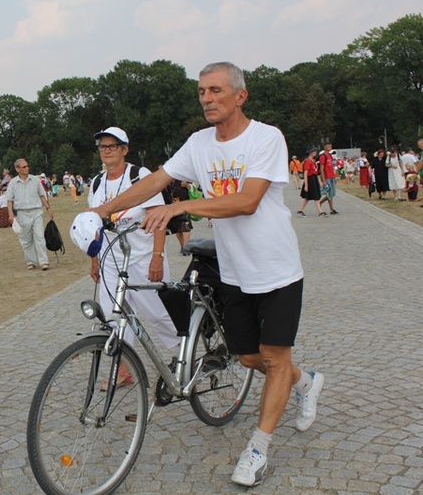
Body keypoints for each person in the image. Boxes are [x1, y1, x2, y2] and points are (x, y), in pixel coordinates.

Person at [92, 62, 323, 487]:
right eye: (201, 92)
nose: (207, 99)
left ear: (240, 96)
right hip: (232, 271)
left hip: (276, 268)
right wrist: (102, 211)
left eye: (216, 90)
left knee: (273, 358)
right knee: (250, 358)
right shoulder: (198, 144)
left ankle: (258, 448)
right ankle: (305, 381)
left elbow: (248, 200)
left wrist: (181, 207)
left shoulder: (265, 137)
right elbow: (159, 178)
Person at [85, 127, 180, 389]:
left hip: (142, 256)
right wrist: (95, 260)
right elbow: (94, 224)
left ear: (125, 149)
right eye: (102, 147)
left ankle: (184, 356)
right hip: (111, 260)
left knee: (159, 313)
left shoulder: (140, 176)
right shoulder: (96, 182)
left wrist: (157, 257)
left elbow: (159, 217)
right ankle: (123, 369)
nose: (106, 151)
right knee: (114, 315)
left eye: (112, 146)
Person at [6, 158, 54, 270]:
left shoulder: (35, 180)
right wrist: (10, 215)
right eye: (24, 167)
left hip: (36, 211)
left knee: (40, 237)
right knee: (26, 240)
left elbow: (42, 195)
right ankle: (31, 261)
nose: (27, 168)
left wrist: (48, 208)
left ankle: (44, 261)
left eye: (27, 166)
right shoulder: (13, 183)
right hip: (22, 213)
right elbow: (9, 200)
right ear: (17, 169)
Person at [296, 146, 326, 217]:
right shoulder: (307, 161)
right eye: (314, 151)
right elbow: (306, 173)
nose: (315, 152)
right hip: (310, 179)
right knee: (316, 196)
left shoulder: (313, 161)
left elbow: (315, 172)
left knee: (308, 197)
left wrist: (319, 181)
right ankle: (320, 212)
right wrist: (306, 184)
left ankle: (300, 210)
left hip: (314, 179)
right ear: (310, 152)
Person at [317, 142, 338, 214]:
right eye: (328, 147)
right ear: (325, 147)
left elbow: (331, 167)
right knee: (330, 193)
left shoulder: (330, 155)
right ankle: (331, 209)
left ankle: (320, 202)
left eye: (330, 146)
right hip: (327, 177)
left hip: (331, 176)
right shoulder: (323, 156)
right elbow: (321, 169)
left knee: (332, 193)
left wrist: (335, 177)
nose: (330, 148)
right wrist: (323, 180)